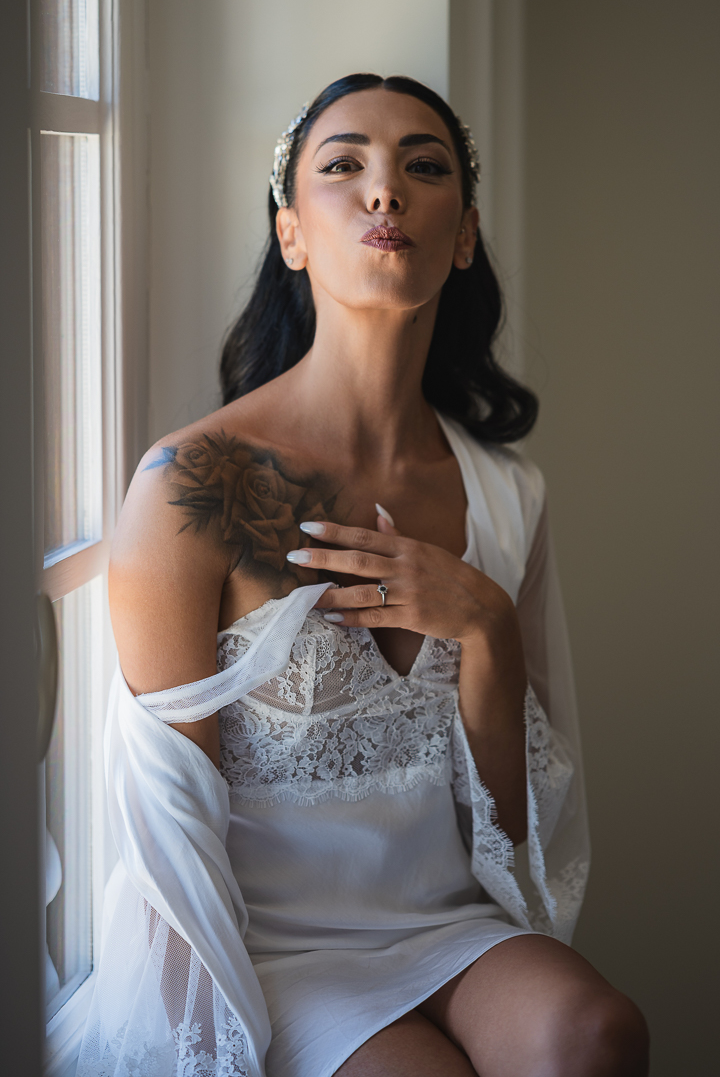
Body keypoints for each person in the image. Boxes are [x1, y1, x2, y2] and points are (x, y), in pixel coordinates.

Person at [77, 74, 648, 1077]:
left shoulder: (506, 494)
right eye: (343, 165)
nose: (384, 190)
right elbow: (166, 841)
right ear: (291, 233)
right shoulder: (196, 485)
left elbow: (511, 834)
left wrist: (487, 630)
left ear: (463, 235)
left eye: (423, 166)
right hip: (265, 948)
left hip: (449, 927)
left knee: (597, 1034)